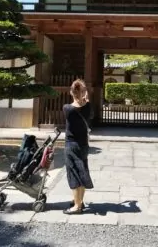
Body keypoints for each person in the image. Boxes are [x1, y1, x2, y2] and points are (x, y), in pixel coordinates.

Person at [62, 79, 94, 214]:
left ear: (71, 92)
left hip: (71, 144)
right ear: (83, 92)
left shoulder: (67, 108)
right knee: (82, 171)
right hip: (84, 145)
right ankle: (79, 201)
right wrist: (85, 99)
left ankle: (76, 206)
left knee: (74, 173)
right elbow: (89, 113)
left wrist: (81, 98)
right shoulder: (88, 107)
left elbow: (74, 106)